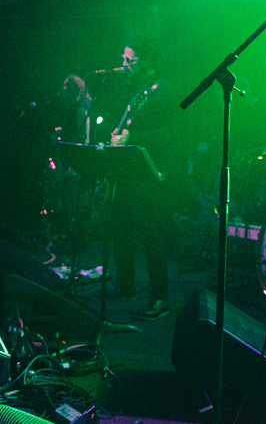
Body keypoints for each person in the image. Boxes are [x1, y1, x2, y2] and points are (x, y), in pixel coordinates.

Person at [87, 41, 175, 321]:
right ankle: (125, 285)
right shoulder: (134, 89)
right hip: (126, 172)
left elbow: (171, 134)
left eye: (131, 61)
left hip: (149, 175)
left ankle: (160, 298)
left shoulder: (164, 90)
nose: (124, 65)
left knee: (151, 235)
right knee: (120, 227)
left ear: (148, 62)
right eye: (124, 59)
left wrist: (132, 138)